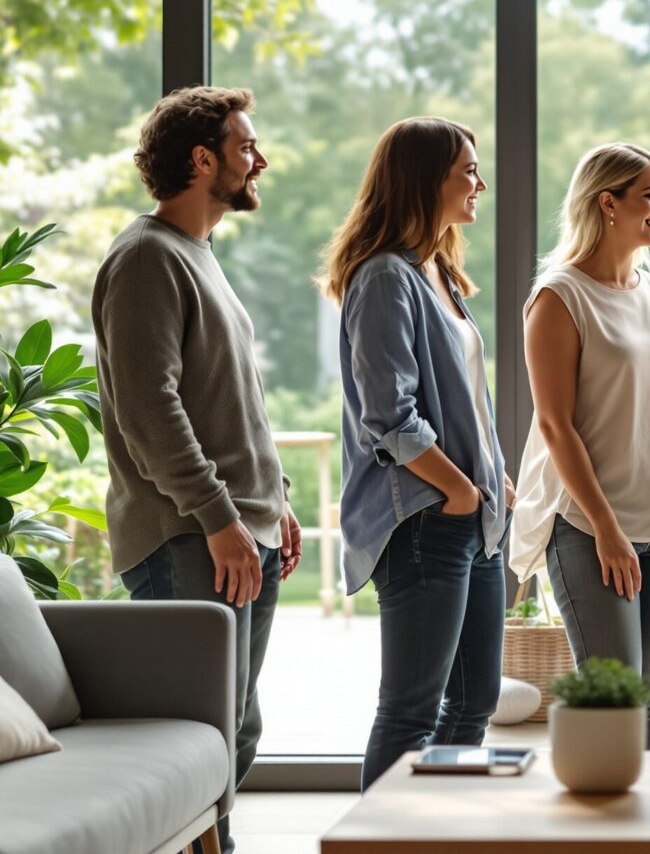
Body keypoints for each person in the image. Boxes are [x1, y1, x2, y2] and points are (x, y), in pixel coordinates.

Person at [93, 85, 303, 854]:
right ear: (203, 159)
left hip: (237, 529)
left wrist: (275, 500)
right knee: (198, 738)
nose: (260, 160)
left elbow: (228, 398)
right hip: (188, 537)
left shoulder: (197, 255)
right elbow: (150, 410)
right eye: (247, 146)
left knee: (234, 728)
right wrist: (218, 517)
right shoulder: (146, 257)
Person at [321, 117, 513, 790]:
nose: (480, 184)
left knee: (475, 701)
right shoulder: (384, 278)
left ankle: (435, 829)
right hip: (426, 522)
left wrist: (492, 480)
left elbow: (466, 401)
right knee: (411, 711)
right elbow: (389, 416)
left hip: (473, 518)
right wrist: (458, 489)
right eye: (468, 172)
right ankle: (383, 835)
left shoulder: (438, 273)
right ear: (426, 180)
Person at [511, 143, 650, 749]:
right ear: (608, 203)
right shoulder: (558, 297)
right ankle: (599, 806)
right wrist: (605, 528)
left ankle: (633, 805)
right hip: (592, 526)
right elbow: (555, 425)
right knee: (613, 691)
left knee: (645, 687)